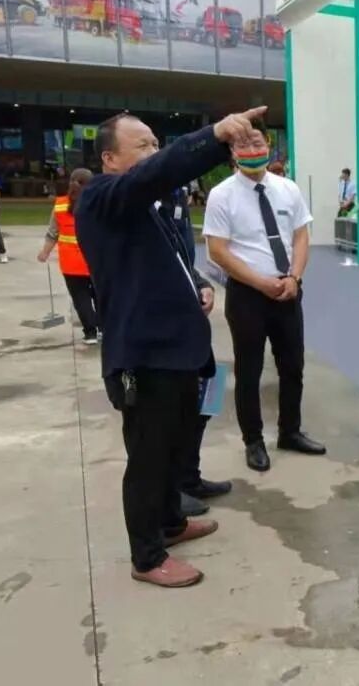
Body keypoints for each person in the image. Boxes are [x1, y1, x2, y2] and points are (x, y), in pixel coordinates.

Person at [74, 106, 265, 588]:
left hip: (180, 349)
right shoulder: (102, 197)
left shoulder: (150, 208)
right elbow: (155, 174)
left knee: (177, 443)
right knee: (148, 457)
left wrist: (196, 284)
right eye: (142, 145)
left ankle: (171, 522)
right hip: (144, 355)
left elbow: (174, 260)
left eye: (156, 143)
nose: (154, 152)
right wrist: (215, 136)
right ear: (109, 159)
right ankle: (147, 556)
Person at [204, 119, 325, 472]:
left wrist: (295, 277)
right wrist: (260, 283)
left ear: (269, 144)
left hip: (288, 291)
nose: (251, 149)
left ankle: (290, 431)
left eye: (257, 141)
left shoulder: (288, 189)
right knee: (249, 371)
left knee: (293, 366)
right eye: (242, 143)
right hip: (247, 296)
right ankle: (253, 440)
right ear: (232, 151)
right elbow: (217, 250)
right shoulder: (222, 195)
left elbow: (301, 236)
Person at [154, 187, 232, 518]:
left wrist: (203, 285)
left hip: (193, 330)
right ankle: (172, 490)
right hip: (164, 334)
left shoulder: (176, 199)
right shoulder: (141, 206)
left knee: (208, 395)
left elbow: (184, 262)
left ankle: (189, 476)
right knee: (170, 416)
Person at [37, 168, 100, 344]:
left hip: (71, 263)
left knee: (81, 298)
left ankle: (90, 333)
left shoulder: (60, 205)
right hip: (96, 260)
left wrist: (45, 252)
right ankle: (104, 328)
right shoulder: (97, 202)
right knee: (100, 295)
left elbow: (53, 233)